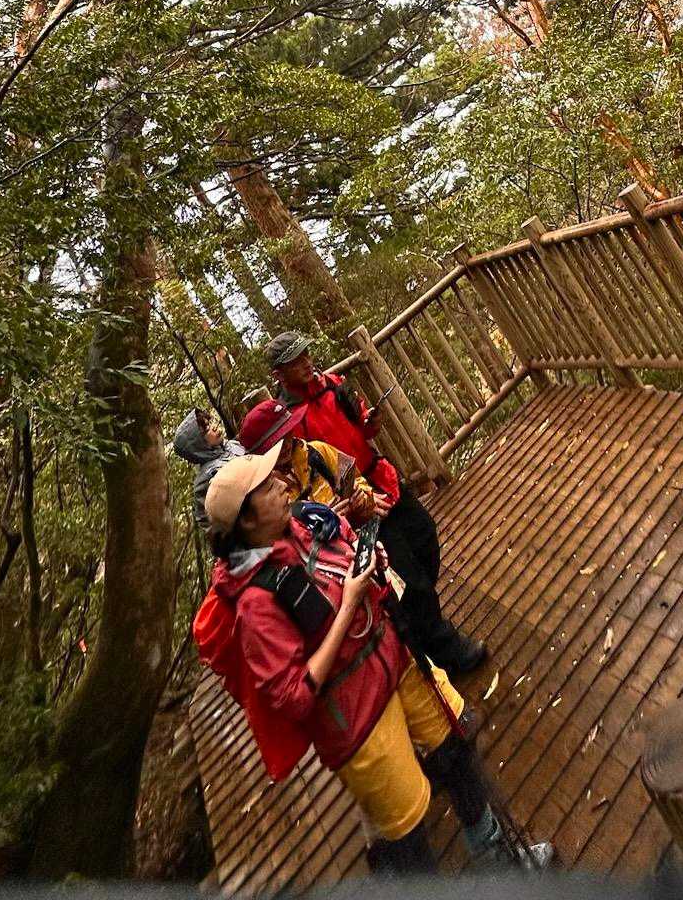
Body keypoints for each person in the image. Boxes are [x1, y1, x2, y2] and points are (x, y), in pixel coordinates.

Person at [196, 444, 550, 873]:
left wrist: (371, 562)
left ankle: (500, 860)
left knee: (456, 748)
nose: (282, 485)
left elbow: (344, 552)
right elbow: (292, 696)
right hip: (356, 715)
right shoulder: (255, 605)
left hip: (397, 657)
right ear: (247, 521)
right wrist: (348, 604)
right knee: (407, 828)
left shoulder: (303, 524)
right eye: (268, 487)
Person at [265, 331, 487, 676]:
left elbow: (360, 427)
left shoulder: (333, 384)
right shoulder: (290, 423)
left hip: (380, 478)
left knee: (425, 536)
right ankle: (447, 650)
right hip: (357, 508)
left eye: (306, 354)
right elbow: (309, 480)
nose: (306, 363)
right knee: (409, 578)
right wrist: (353, 504)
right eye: (296, 362)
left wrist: (369, 424)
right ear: (279, 375)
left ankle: (416, 625)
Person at [239, 396, 380, 519]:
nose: (285, 445)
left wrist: (361, 499)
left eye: (286, 434)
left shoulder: (317, 451)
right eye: (275, 443)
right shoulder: (265, 495)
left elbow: (359, 482)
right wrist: (327, 523)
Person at [172, 407, 245, 530]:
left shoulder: (232, 445)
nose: (214, 427)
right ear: (197, 444)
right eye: (206, 430)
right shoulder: (207, 477)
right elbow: (210, 524)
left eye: (210, 423)